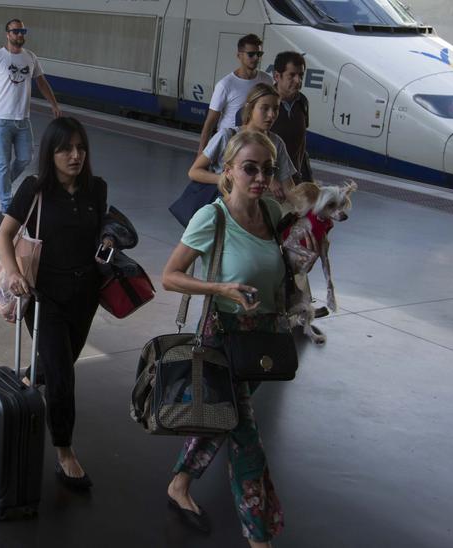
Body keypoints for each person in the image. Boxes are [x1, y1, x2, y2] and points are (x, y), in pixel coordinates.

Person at [161, 130, 293, 547]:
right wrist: (220, 289)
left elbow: (276, 270)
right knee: (246, 439)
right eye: (250, 168)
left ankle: (180, 483)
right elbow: (170, 276)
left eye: (267, 170)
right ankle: (260, 537)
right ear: (229, 170)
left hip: (261, 339)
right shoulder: (211, 218)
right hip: (223, 336)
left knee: (222, 420)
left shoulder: (272, 213)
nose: (259, 178)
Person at [0, 117, 109, 492]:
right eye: (66, 149)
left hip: (86, 295)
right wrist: (13, 273)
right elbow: (5, 235)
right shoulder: (35, 189)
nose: (75, 155)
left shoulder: (96, 189)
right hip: (47, 297)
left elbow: (97, 236)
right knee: (63, 376)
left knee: (60, 362)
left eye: (81, 148)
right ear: (51, 153)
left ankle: (31, 376)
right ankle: (65, 452)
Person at [0, 18, 62, 213]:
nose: (20, 35)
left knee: (25, 158)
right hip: (0, 119)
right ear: (7, 34)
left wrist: (53, 104)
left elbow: (42, 83)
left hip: (23, 119)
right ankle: (6, 203)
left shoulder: (31, 57)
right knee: (3, 162)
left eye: (23, 31)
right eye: (16, 32)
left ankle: (2, 182)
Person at [190, 83, 296, 202]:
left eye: (276, 109)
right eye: (265, 108)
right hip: (228, 204)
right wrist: (230, 178)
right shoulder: (227, 136)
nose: (271, 115)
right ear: (250, 108)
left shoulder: (277, 143)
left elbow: (288, 186)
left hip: (258, 208)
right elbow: (194, 172)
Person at [199, 34, 273, 151]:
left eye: (259, 54)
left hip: (255, 145)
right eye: (251, 54)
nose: (256, 58)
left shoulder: (267, 80)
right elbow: (210, 123)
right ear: (239, 55)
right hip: (229, 146)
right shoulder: (225, 85)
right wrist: (200, 155)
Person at [270, 51, 313, 183]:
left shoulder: (302, 102)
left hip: (296, 179)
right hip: (271, 182)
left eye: (300, 75)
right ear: (277, 76)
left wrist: (307, 177)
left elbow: (301, 142)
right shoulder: (265, 103)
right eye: (292, 75)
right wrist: (271, 181)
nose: (298, 80)